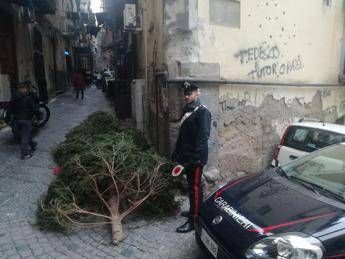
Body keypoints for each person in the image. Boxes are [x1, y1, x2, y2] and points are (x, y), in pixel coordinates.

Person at [172, 81, 212, 233]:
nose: (187, 96)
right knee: (192, 187)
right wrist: (177, 153)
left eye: (190, 93)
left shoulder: (203, 112)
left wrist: (194, 160)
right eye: (186, 94)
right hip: (186, 157)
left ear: (198, 93)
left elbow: (202, 138)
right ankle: (195, 211)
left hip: (196, 159)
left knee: (195, 188)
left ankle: (194, 220)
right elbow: (183, 136)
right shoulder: (187, 109)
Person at [10, 83, 38, 159]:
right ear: (22, 89)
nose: (26, 90)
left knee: (25, 133)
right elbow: (34, 109)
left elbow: (10, 108)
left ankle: (33, 144)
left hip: (16, 120)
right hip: (25, 119)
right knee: (25, 136)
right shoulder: (27, 98)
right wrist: (34, 115)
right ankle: (25, 154)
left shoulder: (13, 98)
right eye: (25, 88)